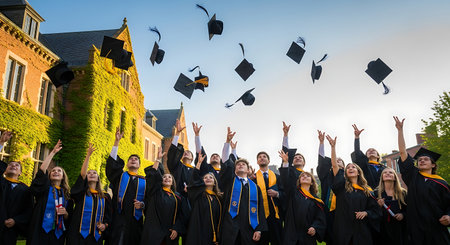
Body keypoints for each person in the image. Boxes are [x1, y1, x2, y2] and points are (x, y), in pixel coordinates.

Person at [393, 116, 449, 245]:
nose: (422, 160)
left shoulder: (442, 184)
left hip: (436, 229)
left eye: (426, 159)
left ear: (433, 165)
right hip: (415, 230)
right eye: (420, 160)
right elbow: (403, 153)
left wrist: (449, 216)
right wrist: (400, 131)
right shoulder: (413, 176)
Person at [327, 135, 380, 245]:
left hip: (362, 230)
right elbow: (334, 166)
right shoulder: (341, 187)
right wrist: (333, 148)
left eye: (353, 167)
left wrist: (366, 213)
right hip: (343, 229)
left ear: (358, 171)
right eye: (348, 168)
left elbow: (374, 209)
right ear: (345, 173)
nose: (350, 168)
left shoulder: (367, 190)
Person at [218, 135, 267, 245]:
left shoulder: (255, 187)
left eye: (243, 164)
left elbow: (260, 209)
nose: (240, 165)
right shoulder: (230, 181)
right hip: (230, 225)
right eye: (238, 164)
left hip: (249, 227)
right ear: (234, 170)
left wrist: (258, 229)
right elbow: (225, 162)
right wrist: (227, 142)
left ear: (248, 169)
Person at [106, 128, 146, 245]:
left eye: (136, 159)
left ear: (139, 165)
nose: (133, 160)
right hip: (119, 218)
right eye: (131, 159)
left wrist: (143, 205)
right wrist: (116, 142)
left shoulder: (144, 181)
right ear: (127, 164)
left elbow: (150, 199)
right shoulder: (119, 176)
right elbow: (112, 165)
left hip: (135, 221)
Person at [27, 140, 70, 245]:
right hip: (39, 228)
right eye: (53, 171)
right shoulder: (44, 188)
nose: (56, 172)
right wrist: (53, 153)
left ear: (63, 176)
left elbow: (69, 217)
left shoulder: (67, 195)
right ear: (49, 175)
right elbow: (42, 171)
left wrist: (66, 213)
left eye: (59, 171)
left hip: (57, 233)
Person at [279, 150, 326, 245]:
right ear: (299, 181)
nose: (304, 176)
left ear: (312, 182)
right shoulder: (292, 193)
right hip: (291, 235)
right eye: (302, 176)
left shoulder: (316, 200)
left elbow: (320, 218)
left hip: (307, 236)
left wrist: (315, 228)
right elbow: (285, 180)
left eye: (308, 176)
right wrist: (285, 162)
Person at [67, 143, 110, 245]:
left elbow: (109, 215)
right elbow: (82, 175)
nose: (91, 174)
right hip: (77, 234)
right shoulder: (81, 193)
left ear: (98, 179)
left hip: (96, 236)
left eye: (94, 173)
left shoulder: (105, 197)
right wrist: (88, 156)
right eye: (89, 173)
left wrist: (105, 225)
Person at [140, 147, 183, 245]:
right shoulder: (155, 191)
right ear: (161, 180)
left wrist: (176, 229)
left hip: (169, 233)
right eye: (164, 177)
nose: (167, 178)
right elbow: (152, 176)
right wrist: (157, 160)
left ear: (173, 182)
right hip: (153, 232)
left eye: (169, 177)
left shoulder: (178, 198)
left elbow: (181, 215)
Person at [0, 131, 33, 245]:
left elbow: (28, 210)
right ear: (5, 169)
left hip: (10, 230)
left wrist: (16, 221)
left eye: (17, 165)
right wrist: (1, 143)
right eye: (10, 165)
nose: (13, 165)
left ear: (20, 173)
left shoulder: (25, 189)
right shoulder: (1, 181)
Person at [186, 152, 223, 245]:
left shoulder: (218, 198)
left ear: (215, 182)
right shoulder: (198, 195)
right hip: (198, 232)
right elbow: (194, 180)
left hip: (213, 234)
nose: (208, 178)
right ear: (202, 181)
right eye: (205, 177)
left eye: (211, 177)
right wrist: (198, 163)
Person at [315, 130, 345, 245]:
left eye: (340, 161)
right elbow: (322, 162)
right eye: (335, 160)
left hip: (343, 210)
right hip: (328, 209)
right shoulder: (325, 175)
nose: (337, 162)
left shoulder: (348, 176)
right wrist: (321, 143)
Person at [253, 150, 282, 245]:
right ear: (257, 162)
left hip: (275, 215)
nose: (262, 158)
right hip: (259, 217)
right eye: (259, 157)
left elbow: (285, 194)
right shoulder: (253, 179)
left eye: (264, 156)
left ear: (268, 161)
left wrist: (277, 194)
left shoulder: (277, 177)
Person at [374, 167, 408, 245]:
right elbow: (373, 212)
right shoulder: (376, 193)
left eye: (391, 172)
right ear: (382, 177)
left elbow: (409, 209)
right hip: (383, 229)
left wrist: (403, 215)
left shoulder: (403, 193)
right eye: (385, 173)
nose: (388, 173)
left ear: (395, 177)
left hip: (400, 228)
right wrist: (378, 206)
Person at [351, 124, 386, 189]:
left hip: (383, 194)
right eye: (368, 151)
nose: (371, 151)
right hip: (368, 193)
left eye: (373, 150)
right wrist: (357, 138)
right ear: (366, 156)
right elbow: (357, 153)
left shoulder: (384, 168)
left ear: (378, 156)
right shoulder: (364, 165)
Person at [167, 119, 195, 197]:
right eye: (184, 152)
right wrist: (177, 134)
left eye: (188, 153)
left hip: (191, 200)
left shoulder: (196, 170)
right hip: (176, 197)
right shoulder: (177, 166)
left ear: (192, 158)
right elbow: (172, 154)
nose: (185, 152)